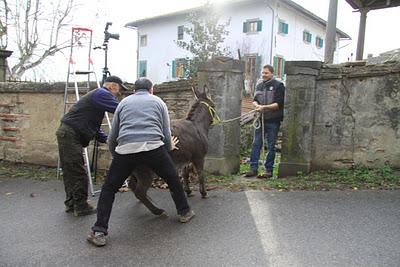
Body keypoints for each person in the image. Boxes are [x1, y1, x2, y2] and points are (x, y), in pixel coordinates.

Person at [87, 78, 195, 247]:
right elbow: (166, 133)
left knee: (109, 189)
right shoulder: (158, 102)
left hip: (126, 150)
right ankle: (184, 212)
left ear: (134, 91)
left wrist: (117, 155)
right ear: (151, 90)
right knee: (173, 178)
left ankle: (99, 231)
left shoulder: (123, 103)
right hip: (154, 148)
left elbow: (113, 136)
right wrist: (169, 146)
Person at [56, 75, 127, 216]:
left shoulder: (98, 96)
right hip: (70, 134)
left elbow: (92, 124)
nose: (119, 93)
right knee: (77, 172)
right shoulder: (103, 93)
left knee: (71, 170)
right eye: (119, 89)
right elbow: (120, 110)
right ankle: (81, 206)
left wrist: (104, 138)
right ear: (112, 86)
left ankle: (71, 203)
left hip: (67, 133)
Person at [244, 65, 285, 179]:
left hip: (273, 120)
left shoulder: (279, 86)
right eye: (263, 73)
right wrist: (257, 105)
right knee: (256, 143)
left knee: (271, 145)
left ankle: (268, 170)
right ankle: (253, 168)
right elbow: (255, 100)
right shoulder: (259, 85)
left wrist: (264, 107)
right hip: (260, 119)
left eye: (266, 73)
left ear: (272, 74)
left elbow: (278, 104)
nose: (263, 75)